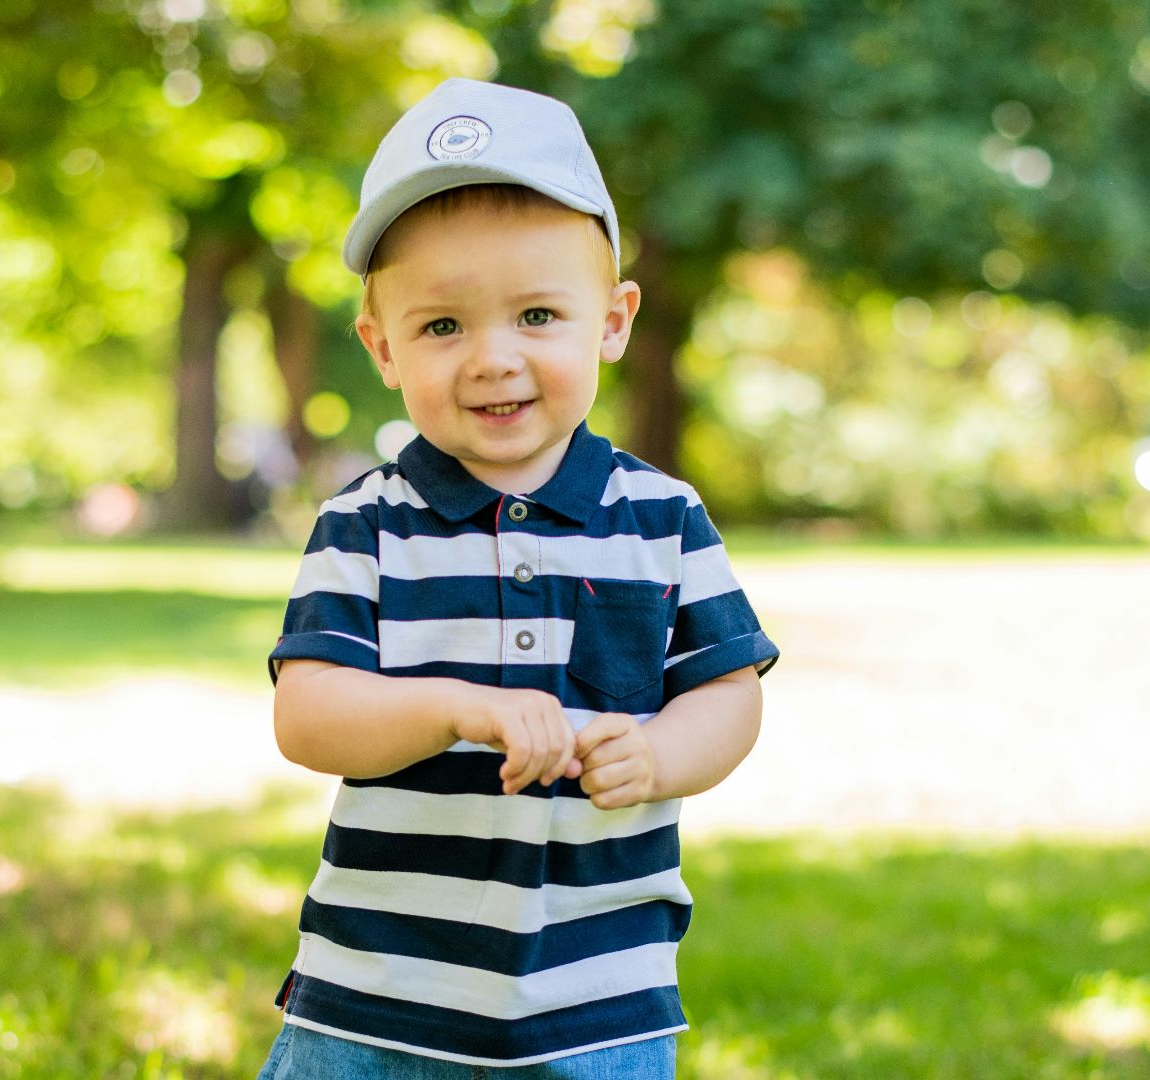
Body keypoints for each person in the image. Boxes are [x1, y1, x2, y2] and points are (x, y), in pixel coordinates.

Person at [257, 77, 780, 1078]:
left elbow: (728, 692)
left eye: (537, 315)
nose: (493, 359)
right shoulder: (365, 522)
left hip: (598, 998)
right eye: (443, 327)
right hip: (379, 995)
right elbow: (308, 714)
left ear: (613, 322)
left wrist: (664, 756)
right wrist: (452, 707)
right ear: (382, 346)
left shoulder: (662, 517)